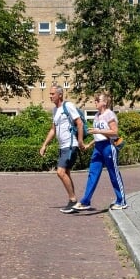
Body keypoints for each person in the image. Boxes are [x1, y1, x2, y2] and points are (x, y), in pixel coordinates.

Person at [67, 92, 127, 213]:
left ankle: (122, 201)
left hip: (108, 146)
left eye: (97, 100)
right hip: (98, 147)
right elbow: (98, 134)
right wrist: (90, 144)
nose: (95, 102)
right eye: (94, 100)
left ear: (104, 102)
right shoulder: (97, 115)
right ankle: (85, 201)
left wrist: (97, 130)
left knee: (113, 173)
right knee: (92, 173)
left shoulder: (109, 114)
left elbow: (114, 132)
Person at [39, 84, 85, 213]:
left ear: (60, 94)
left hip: (70, 145)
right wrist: (44, 145)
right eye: (50, 94)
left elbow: (79, 123)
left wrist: (80, 141)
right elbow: (53, 129)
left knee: (60, 172)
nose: (50, 96)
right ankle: (73, 201)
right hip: (62, 146)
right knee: (66, 173)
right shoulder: (55, 110)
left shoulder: (68, 106)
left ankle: (73, 200)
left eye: (52, 94)